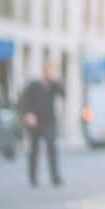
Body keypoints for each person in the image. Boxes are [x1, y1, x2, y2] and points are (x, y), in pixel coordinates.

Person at [19, 58, 65, 187]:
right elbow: (24, 100)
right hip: (35, 121)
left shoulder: (53, 85)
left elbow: (63, 93)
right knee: (34, 150)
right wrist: (28, 114)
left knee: (52, 147)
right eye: (48, 70)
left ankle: (55, 177)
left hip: (49, 121)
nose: (50, 73)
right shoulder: (34, 84)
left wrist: (57, 80)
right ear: (43, 71)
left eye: (52, 71)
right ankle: (32, 178)